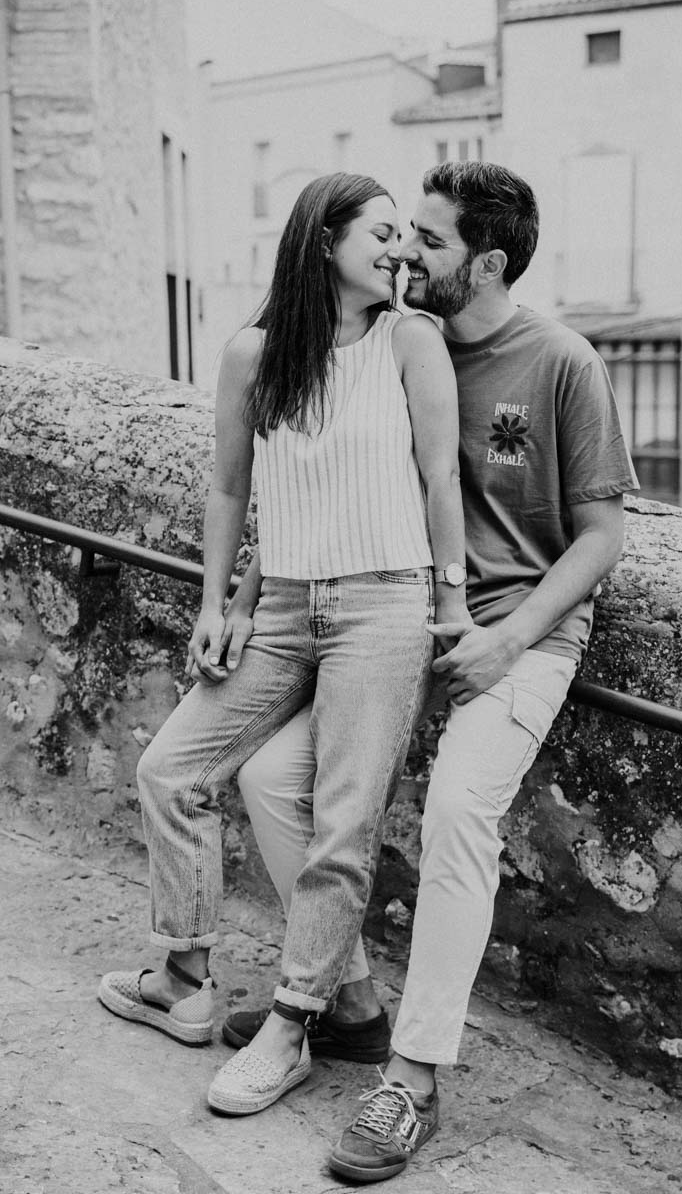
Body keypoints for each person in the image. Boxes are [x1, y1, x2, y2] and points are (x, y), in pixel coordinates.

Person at [220, 160, 640, 1180]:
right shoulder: (386, 339)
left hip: (522, 633)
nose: (406, 248)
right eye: (401, 230)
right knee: (269, 779)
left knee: (456, 810)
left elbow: (602, 533)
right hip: (402, 619)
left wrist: (507, 634)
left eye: (431, 239)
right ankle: (351, 1002)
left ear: (486, 261)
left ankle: (409, 1079)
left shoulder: (561, 361)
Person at [97, 171, 469, 1117]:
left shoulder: (410, 340)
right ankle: (187, 977)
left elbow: (439, 483)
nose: (399, 251)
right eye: (381, 233)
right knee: (170, 770)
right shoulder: (255, 355)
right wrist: (216, 603)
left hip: (385, 609)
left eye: (405, 237)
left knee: (341, 826)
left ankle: (296, 1024)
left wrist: (452, 601)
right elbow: (229, 488)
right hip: (284, 606)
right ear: (322, 241)